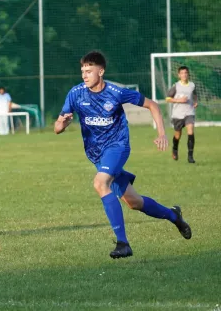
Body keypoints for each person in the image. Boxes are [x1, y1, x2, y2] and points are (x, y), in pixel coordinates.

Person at [55, 51, 191, 259]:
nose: (84, 75)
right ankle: (174, 216)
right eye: (83, 71)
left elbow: (152, 105)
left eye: (89, 71)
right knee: (134, 202)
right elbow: (57, 127)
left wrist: (162, 133)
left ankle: (123, 243)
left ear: (101, 72)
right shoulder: (75, 93)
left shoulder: (116, 92)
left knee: (100, 183)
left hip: (117, 147)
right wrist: (62, 124)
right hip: (96, 155)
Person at [166, 66, 198, 163]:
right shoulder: (176, 86)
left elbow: (195, 95)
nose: (184, 75)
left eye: (186, 73)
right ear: (179, 75)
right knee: (177, 135)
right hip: (177, 114)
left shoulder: (192, 85)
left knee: (190, 131)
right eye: (182, 73)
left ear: (188, 74)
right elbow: (167, 98)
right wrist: (178, 100)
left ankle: (190, 156)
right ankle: (175, 149)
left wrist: (196, 101)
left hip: (189, 112)